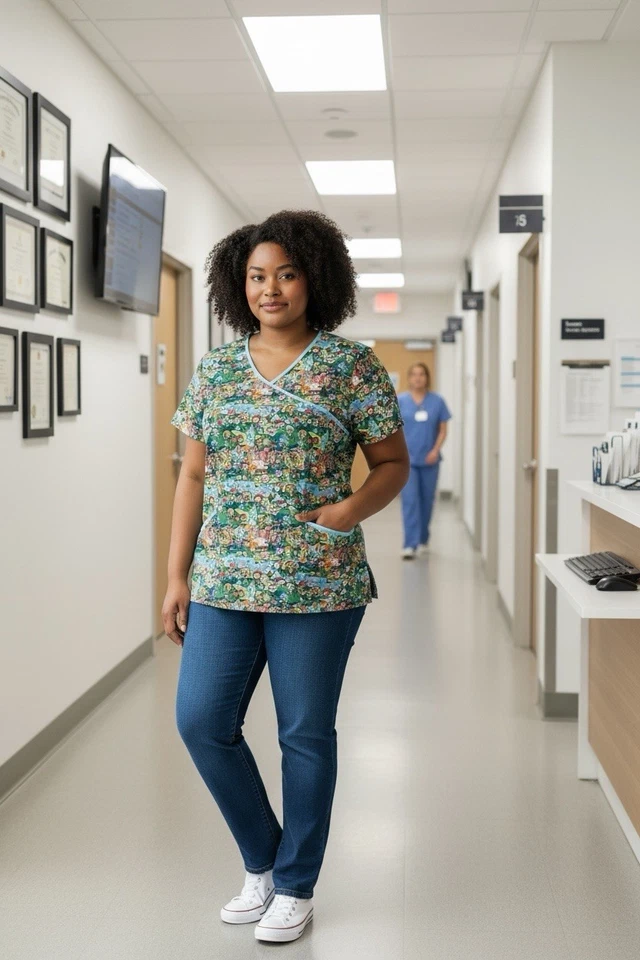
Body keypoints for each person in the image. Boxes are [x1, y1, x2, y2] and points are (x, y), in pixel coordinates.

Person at [163, 210, 409, 944]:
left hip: (317, 581)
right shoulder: (215, 370)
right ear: (238, 288)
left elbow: (393, 464)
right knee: (202, 722)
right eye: (256, 276)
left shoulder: (351, 367)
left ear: (315, 279)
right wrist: (176, 575)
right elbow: (193, 476)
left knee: (305, 735)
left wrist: (348, 511)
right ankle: (264, 861)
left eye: (287, 273)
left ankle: (296, 884)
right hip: (223, 582)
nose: (271, 289)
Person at [397, 362, 451, 559]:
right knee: (410, 501)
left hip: (430, 459)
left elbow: (443, 429)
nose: (418, 378)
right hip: (407, 461)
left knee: (427, 501)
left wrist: (435, 450)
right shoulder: (400, 400)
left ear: (427, 377)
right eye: (414, 374)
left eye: (422, 374)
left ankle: (423, 537)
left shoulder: (437, 401)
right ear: (409, 378)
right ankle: (409, 544)